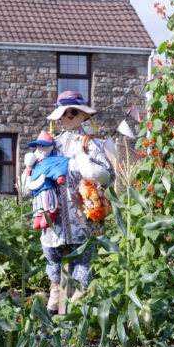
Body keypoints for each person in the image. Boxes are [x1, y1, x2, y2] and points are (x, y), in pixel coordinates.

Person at [23, 91, 115, 317]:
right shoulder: (51, 145)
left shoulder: (89, 144)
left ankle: (76, 310)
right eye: (66, 112)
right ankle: (55, 301)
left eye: (75, 112)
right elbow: (32, 174)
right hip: (53, 217)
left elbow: (108, 175)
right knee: (53, 258)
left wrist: (89, 169)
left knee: (82, 262)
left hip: (82, 219)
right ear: (59, 117)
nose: (70, 116)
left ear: (83, 115)